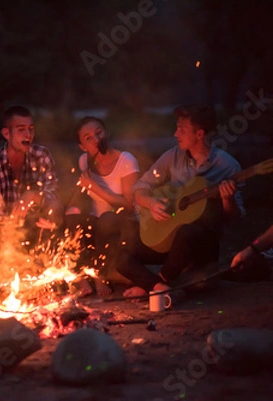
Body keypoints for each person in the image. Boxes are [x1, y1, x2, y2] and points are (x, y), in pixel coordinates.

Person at [112, 105, 244, 299]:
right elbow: (140, 187)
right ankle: (158, 287)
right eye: (176, 128)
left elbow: (236, 217)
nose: (175, 134)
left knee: (187, 231)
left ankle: (153, 284)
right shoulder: (173, 156)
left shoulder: (228, 166)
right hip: (168, 239)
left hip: (200, 245)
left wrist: (227, 199)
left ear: (199, 134)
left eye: (182, 130)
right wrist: (150, 203)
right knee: (120, 254)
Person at [0, 105, 63, 260]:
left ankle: (46, 259)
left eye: (31, 129)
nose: (28, 134)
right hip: (6, 229)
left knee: (54, 207)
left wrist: (33, 196)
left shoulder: (41, 155)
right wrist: (12, 227)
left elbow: (54, 194)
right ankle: (4, 266)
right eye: (21, 129)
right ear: (6, 134)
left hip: (39, 226)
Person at [64, 116, 140, 296]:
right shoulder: (84, 161)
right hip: (97, 225)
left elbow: (129, 205)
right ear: (82, 146)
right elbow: (80, 193)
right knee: (71, 217)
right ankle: (81, 277)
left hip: (123, 225)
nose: (96, 140)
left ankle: (100, 277)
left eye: (99, 133)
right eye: (88, 138)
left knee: (106, 219)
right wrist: (69, 212)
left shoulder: (126, 160)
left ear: (107, 133)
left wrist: (96, 188)